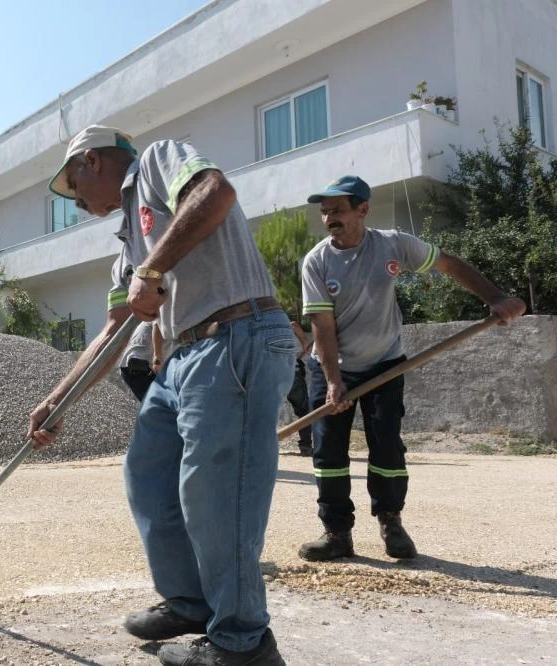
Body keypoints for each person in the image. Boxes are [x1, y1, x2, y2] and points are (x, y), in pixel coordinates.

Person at [28, 125, 294, 666]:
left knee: (217, 496)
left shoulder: (155, 162)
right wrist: (60, 400)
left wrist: (152, 268)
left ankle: (242, 643)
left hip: (234, 336)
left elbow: (214, 192)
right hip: (181, 356)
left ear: (93, 160)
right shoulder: (128, 241)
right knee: (148, 477)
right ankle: (191, 603)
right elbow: (114, 329)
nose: (74, 199)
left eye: (72, 182)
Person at [297, 175, 525, 562]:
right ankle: (336, 533)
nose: (328, 218)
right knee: (328, 452)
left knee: (386, 445)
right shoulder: (317, 261)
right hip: (331, 366)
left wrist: (497, 297)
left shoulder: (394, 244)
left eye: (336, 210)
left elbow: (450, 265)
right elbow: (322, 326)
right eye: (324, 212)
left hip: (384, 363)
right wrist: (334, 380)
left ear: (362, 210)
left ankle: (391, 522)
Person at [286, 319, 313, 456]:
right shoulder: (285, 324)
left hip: (270, 375)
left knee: (266, 412)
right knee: (303, 411)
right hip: (292, 374)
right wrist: (304, 342)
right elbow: (293, 325)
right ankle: (306, 446)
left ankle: (262, 446)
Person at [119, 320, 162, 402]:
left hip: (134, 366)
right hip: (138, 366)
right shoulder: (160, 317)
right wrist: (157, 358)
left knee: (159, 404)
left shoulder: (149, 319)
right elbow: (157, 324)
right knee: (159, 405)